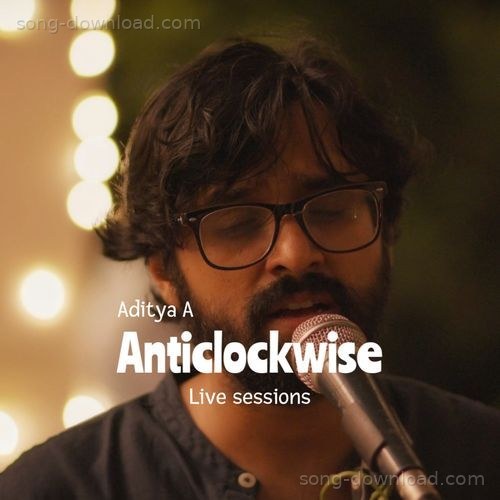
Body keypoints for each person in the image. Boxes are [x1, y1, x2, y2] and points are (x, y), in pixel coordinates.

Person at [1, 37, 499, 500]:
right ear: (164, 273)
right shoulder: (59, 488)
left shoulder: (481, 456)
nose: (295, 254)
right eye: (238, 224)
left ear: (386, 230)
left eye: (331, 210)